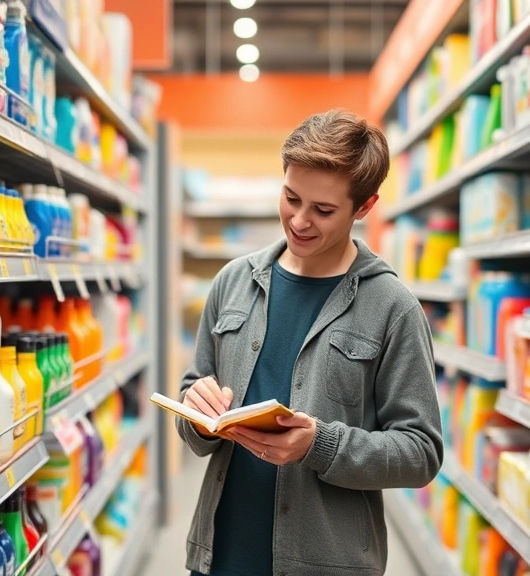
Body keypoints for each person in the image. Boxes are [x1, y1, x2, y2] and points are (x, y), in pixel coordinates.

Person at [178, 109, 443, 576]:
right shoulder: (232, 282)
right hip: (218, 558)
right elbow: (193, 395)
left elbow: (420, 452)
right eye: (291, 197)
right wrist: (197, 416)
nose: (299, 221)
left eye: (322, 210)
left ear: (364, 207)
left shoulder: (392, 307)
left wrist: (321, 445)